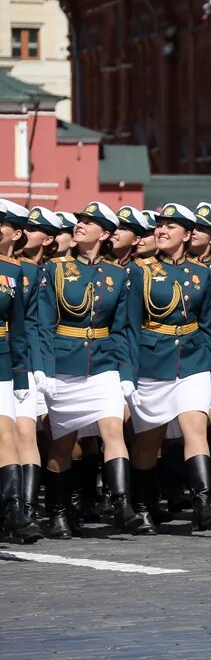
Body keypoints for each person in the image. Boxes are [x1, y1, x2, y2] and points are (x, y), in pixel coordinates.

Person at [34, 202, 146, 537]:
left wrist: (127, 373)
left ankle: (123, 504)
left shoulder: (119, 275)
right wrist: (44, 368)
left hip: (103, 363)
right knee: (63, 444)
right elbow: (42, 323)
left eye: (90, 222)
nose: (81, 225)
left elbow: (125, 329)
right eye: (80, 220)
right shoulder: (54, 270)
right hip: (64, 364)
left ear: (106, 234)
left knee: (113, 431)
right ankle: (57, 513)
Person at [126, 203, 211, 533]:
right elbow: (130, 324)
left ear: (188, 234)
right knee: (147, 442)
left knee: (195, 428)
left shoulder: (204, 274)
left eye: (171, 226)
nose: (162, 231)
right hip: (152, 363)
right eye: (159, 226)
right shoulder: (140, 271)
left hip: (193, 360)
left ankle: (203, 503)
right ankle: (143, 505)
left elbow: (210, 326)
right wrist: (129, 372)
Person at [0, 205, 41, 544]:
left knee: (6, 431)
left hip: (1, 362)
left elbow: (18, 328)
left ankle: (15, 511)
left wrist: (21, 376)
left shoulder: (11, 271)